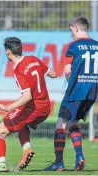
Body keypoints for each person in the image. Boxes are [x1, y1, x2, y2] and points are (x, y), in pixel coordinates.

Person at [0, 37, 57, 172]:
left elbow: (27, 96)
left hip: (33, 107)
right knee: (22, 125)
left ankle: (0, 164)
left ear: (7, 52)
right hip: (46, 107)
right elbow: (53, 74)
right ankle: (26, 150)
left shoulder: (18, 70)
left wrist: (8, 108)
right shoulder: (34, 59)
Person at [44, 17, 98, 171]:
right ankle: (79, 156)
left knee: (60, 123)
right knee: (73, 122)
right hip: (92, 91)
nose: (71, 35)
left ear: (76, 28)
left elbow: (68, 72)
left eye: (71, 31)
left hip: (76, 90)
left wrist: (71, 82)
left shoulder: (73, 47)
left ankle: (59, 162)